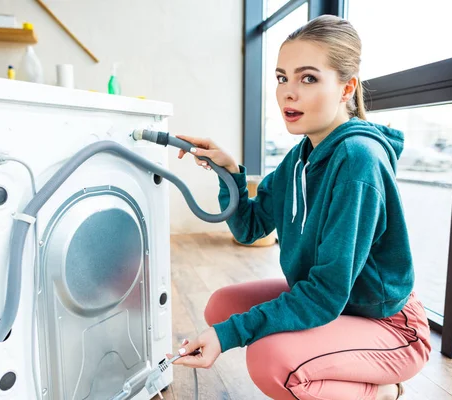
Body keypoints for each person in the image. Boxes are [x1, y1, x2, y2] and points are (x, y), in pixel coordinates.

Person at [168, 14, 431, 400]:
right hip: (340, 306)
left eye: (308, 78)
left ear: (346, 88)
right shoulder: (301, 158)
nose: (288, 92)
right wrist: (229, 173)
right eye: (281, 77)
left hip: (391, 325)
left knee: (270, 361)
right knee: (221, 307)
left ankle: (384, 391)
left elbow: (324, 293)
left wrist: (229, 337)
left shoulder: (359, 160)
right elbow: (250, 228)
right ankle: (335, 355)